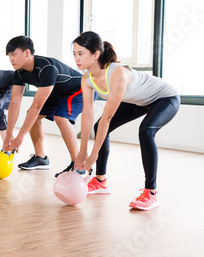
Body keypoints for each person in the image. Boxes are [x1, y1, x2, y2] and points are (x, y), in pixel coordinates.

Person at [72, 31, 180, 210]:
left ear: (96, 54)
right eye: (74, 54)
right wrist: (82, 151)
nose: (76, 58)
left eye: (80, 53)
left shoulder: (117, 74)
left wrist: (93, 155)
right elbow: (87, 114)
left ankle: (151, 193)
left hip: (165, 98)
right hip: (138, 101)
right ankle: (100, 181)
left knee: (146, 132)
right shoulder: (87, 78)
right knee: (99, 126)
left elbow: (107, 117)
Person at [3, 35, 86, 176]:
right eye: (9, 55)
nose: (11, 59)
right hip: (57, 92)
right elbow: (15, 102)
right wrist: (9, 133)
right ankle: (40, 158)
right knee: (33, 116)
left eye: (14, 54)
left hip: (80, 89)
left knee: (60, 117)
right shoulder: (19, 73)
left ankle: (78, 165)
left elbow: (37, 106)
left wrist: (20, 136)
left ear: (27, 52)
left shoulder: (47, 67)